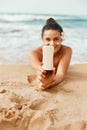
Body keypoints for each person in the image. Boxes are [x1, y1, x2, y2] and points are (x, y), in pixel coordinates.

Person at [29, 18, 72, 90]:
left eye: (56, 39)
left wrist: (49, 84)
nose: (52, 44)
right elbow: (38, 68)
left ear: (61, 39)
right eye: (48, 39)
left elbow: (60, 74)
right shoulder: (35, 53)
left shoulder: (66, 50)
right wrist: (42, 79)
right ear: (42, 39)